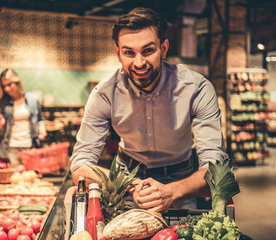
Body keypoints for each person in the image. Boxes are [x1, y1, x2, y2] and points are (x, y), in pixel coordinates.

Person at [70, 7, 228, 213]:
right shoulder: (104, 94)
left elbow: (217, 167)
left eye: (148, 51)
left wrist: (173, 191)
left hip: (181, 178)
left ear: (163, 49)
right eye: (129, 52)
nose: (139, 62)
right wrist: (132, 185)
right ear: (118, 53)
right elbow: (80, 165)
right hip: (125, 176)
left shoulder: (197, 88)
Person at [0, 68, 47, 167]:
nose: (6, 89)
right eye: (3, 86)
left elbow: (40, 120)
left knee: (31, 177)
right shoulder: (1, 103)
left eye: (9, 84)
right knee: (15, 177)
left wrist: (42, 130)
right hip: (10, 148)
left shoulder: (33, 99)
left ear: (17, 82)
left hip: (30, 147)